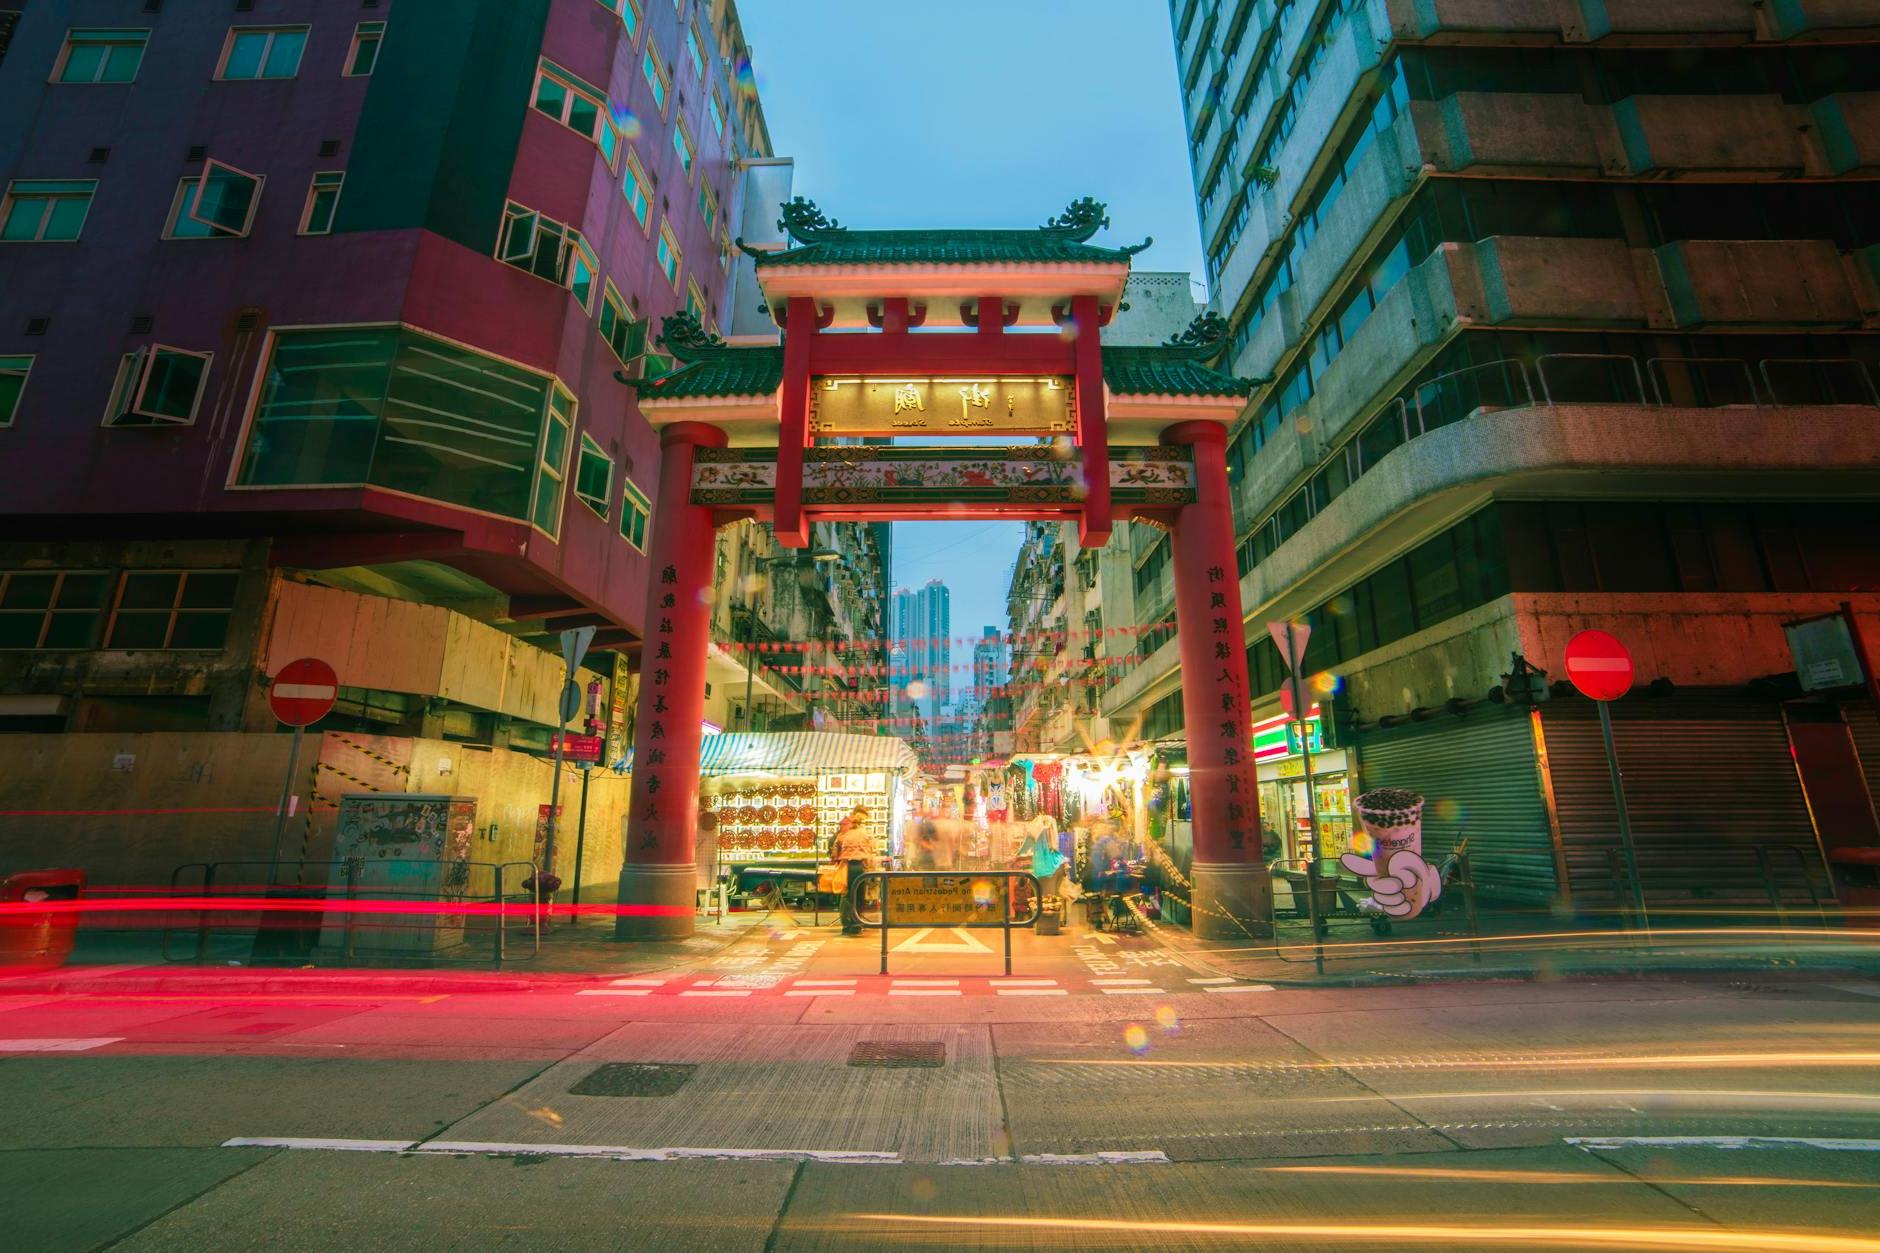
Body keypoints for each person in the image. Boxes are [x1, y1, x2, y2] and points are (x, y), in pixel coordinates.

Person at [829, 808, 875, 936]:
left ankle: (846, 925)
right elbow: (870, 855)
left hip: (846, 867)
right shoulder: (865, 834)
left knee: (846, 896)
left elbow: (834, 854)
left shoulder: (843, 834)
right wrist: (872, 871)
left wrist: (837, 858)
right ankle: (856, 923)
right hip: (859, 867)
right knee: (858, 896)